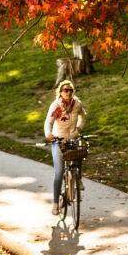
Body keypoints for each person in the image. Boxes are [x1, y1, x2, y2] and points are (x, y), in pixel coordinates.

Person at [44, 79, 87, 215]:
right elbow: (48, 122)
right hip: (59, 140)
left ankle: (78, 177)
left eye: (70, 90)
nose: (68, 92)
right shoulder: (56, 105)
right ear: (60, 92)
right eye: (65, 90)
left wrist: (79, 129)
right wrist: (49, 134)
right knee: (59, 171)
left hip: (73, 137)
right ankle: (55, 203)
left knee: (80, 152)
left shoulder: (77, 104)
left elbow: (83, 116)